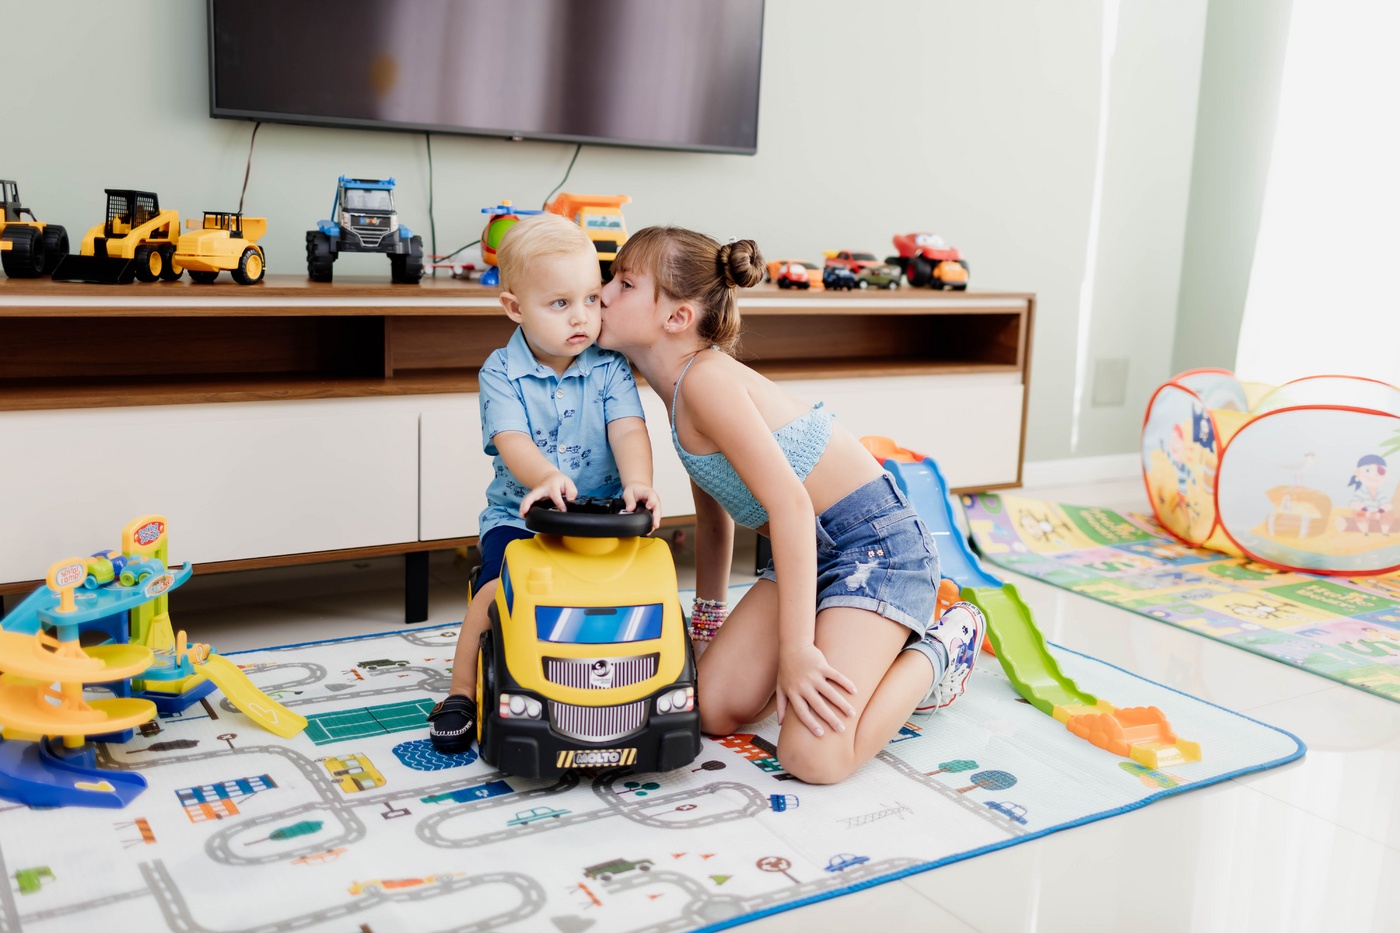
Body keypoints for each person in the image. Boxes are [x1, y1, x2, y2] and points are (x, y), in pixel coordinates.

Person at [596, 226, 986, 785]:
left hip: (878, 551)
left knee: (814, 758)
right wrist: (707, 624)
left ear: (677, 317)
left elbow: (793, 508)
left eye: (625, 283)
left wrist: (798, 650)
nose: (603, 293)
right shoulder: (676, 391)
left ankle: (943, 648)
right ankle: (843, 638)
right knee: (712, 708)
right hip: (805, 555)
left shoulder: (706, 381)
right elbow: (713, 519)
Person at [427, 214, 661, 753]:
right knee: (494, 592)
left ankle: (627, 680)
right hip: (521, 519)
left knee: (634, 592)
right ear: (515, 308)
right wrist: (546, 476)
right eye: (559, 304)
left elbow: (628, 428)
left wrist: (639, 482)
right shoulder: (499, 372)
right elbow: (511, 440)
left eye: (591, 298)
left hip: (602, 520)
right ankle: (460, 691)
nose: (581, 317)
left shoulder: (609, 366)